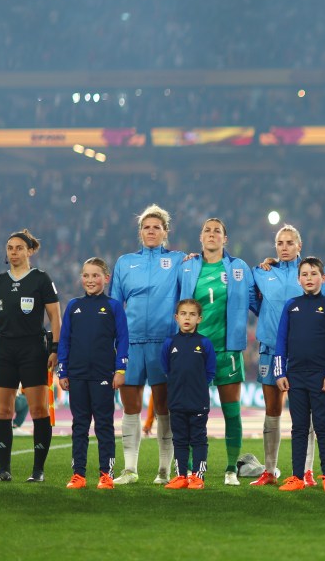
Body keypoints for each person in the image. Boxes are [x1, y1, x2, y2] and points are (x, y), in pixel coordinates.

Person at [178, 217, 257, 485]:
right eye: (207, 231)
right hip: (193, 351)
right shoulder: (187, 266)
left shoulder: (239, 268)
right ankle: (189, 468)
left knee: (231, 412)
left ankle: (231, 469)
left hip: (227, 350)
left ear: (225, 239)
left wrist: (272, 266)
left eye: (217, 231)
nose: (212, 234)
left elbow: (257, 299)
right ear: (200, 238)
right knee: (191, 412)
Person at [110, 204, 184, 485]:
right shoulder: (125, 262)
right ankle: (130, 469)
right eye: (146, 227)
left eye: (157, 227)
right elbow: (116, 307)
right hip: (131, 344)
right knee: (130, 407)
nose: (151, 231)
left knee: (164, 408)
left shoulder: (179, 260)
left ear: (166, 232)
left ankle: (164, 470)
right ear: (140, 232)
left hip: (164, 344)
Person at [0, 229, 61, 483]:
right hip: (3, 350)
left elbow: (55, 317)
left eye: (18, 248)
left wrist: (55, 348)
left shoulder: (41, 279)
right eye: (9, 248)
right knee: (2, 412)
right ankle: (3, 469)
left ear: (29, 251)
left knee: (39, 410)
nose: (13, 252)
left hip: (33, 350)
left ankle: (38, 471)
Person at [58, 258, 129, 490]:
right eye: (86, 275)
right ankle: (78, 474)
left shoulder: (113, 306)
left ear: (106, 278)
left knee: (104, 425)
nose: (90, 280)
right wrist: (63, 370)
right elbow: (65, 341)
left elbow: (123, 339)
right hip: (77, 375)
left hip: (103, 375)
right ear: (81, 278)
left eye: (95, 275)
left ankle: (105, 474)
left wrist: (120, 370)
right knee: (79, 425)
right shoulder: (73, 306)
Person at [273, 257, 325, 493]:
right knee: (299, 427)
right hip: (296, 376)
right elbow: (281, 340)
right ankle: (296, 477)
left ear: (323, 278)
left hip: (321, 376)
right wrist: (279, 371)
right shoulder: (291, 305)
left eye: (314, 274)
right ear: (298, 279)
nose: (309, 278)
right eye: (305, 274)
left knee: (323, 425)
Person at [250, 224, 306, 487]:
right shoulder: (262, 272)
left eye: (289, 243)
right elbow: (252, 299)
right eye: (280, 243)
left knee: (302, 411)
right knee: (272, 409)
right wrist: (267, 317)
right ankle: (270, 471)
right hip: (270, 348)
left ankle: (305, 472)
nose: (284, 247)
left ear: (299, 246)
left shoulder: (308, 273)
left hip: (300, 350)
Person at [160, 299, 216, 490]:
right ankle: (181, 476)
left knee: (198, 439)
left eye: (192, 314)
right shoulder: (169, 343)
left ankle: (197, 477)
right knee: (180, 439)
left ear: (199, 319)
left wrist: (197, 387)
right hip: (176, 401)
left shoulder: (205, 343)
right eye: (183, 313)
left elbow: (210, 372)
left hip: (198, 401)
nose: (187, 318)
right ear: (176, 317)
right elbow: (166, 369)